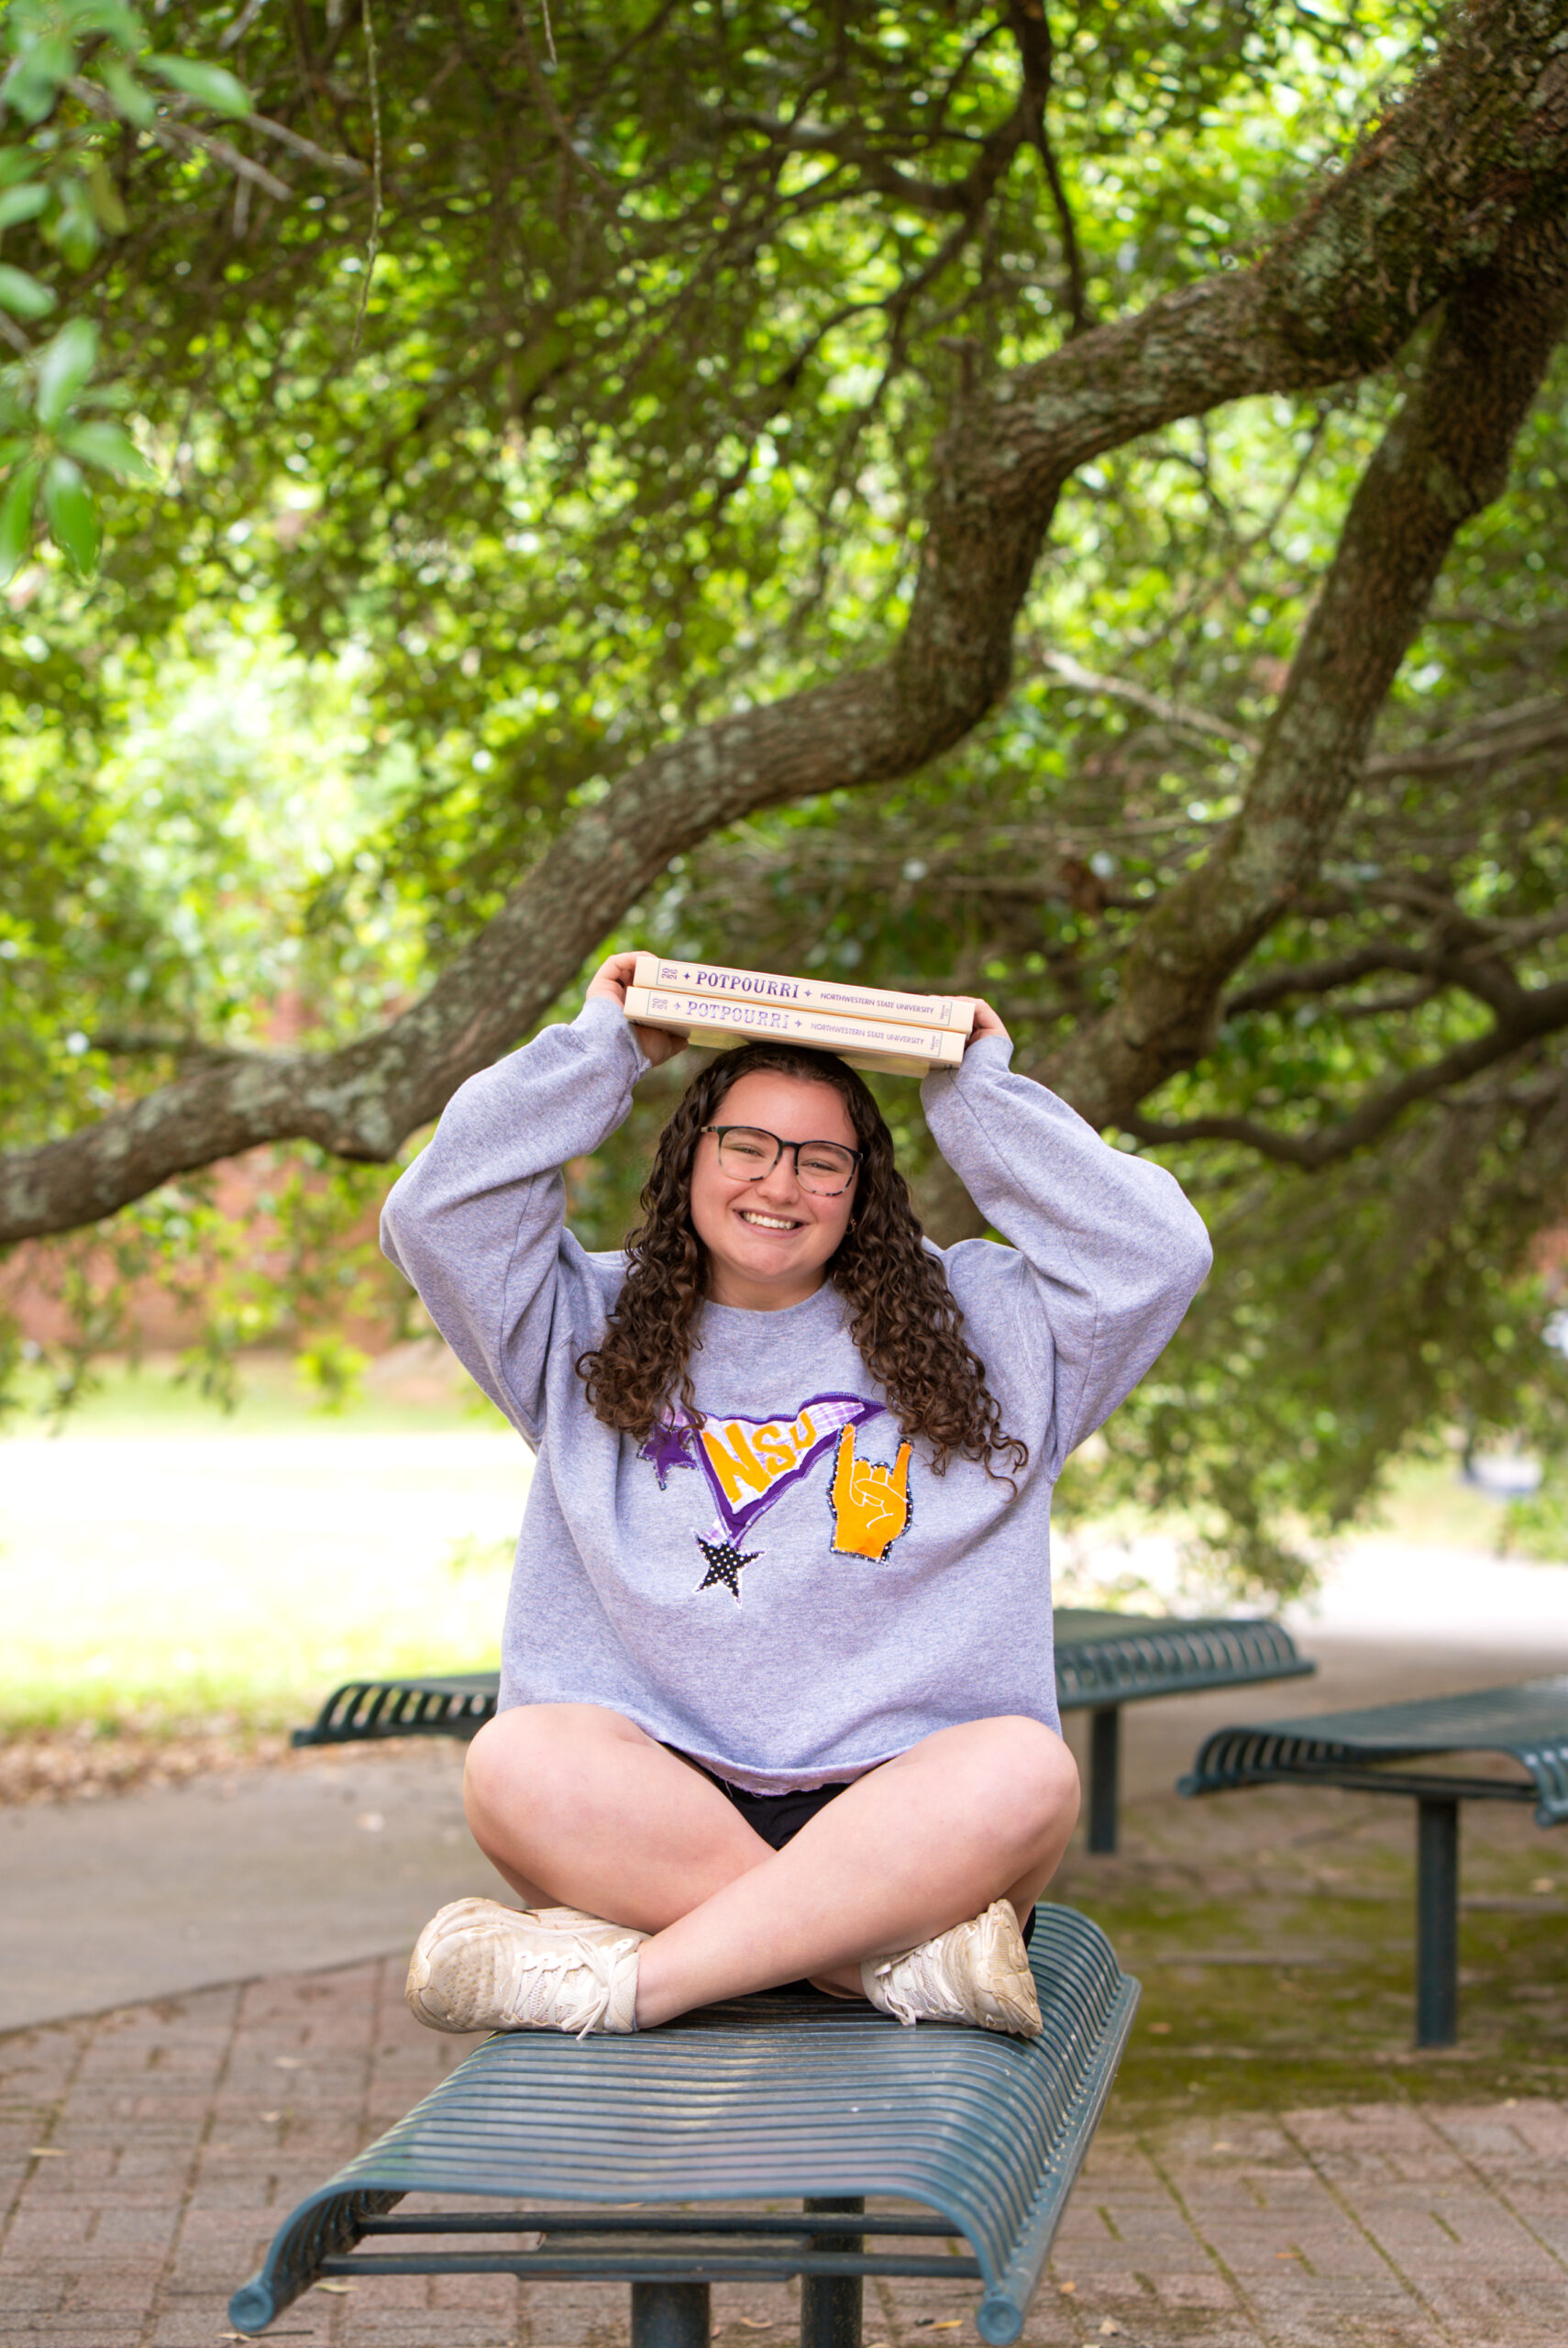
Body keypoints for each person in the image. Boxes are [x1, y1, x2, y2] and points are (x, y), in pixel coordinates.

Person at [381, 950, 1211, 2041]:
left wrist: (976, 1096)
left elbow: (1160, 1250)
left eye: (824, 1161)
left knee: (1025, 1769)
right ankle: (877, 1963)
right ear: (691, 1157)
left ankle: (634, 1986)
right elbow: (437, 1209)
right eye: (748, 1146)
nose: (780, 1184)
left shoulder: (992, 1330)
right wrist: (603, 1052)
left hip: (907, 1813)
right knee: (515, 1760)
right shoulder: (582, 1325)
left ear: (864, 1189)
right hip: (657, 1805)